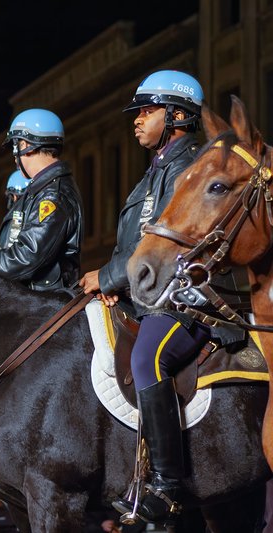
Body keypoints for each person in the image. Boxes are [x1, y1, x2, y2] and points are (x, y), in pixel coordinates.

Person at [78, 70, 241, 525]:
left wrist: (108, 276)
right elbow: (134, 242)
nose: (137, 120)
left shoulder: (193, 168)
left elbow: (170, 245)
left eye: (146, 111)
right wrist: (117, 290)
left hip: (192, 300)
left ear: (176, 116)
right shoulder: (153, 173)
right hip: (150, 297)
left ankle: (168, 485)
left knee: (148, 357)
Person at [0, 108, 83, 292]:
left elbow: (28, 254)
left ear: (25, 145)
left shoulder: (53, 195)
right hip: (32, 300)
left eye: (15, 146)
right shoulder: (40, 190)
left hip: (44, 304)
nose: (14, 158)